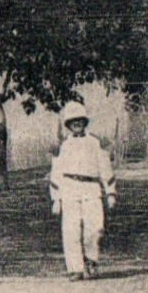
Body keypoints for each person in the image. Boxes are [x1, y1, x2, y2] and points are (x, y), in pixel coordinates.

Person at [48, 100, 116, 280]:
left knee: (96, 228)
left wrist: (110, 192)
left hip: (91, 188)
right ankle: (75, 268)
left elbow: (105, 168)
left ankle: (91, 259)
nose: (77, 124)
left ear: (85, 122)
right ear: (68, 124)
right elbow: (57, 171)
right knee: (71, 230)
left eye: (80, 120)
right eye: (73, 121)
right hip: (70, 188)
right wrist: (56, 198)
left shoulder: (95, 143)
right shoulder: (64, 146)